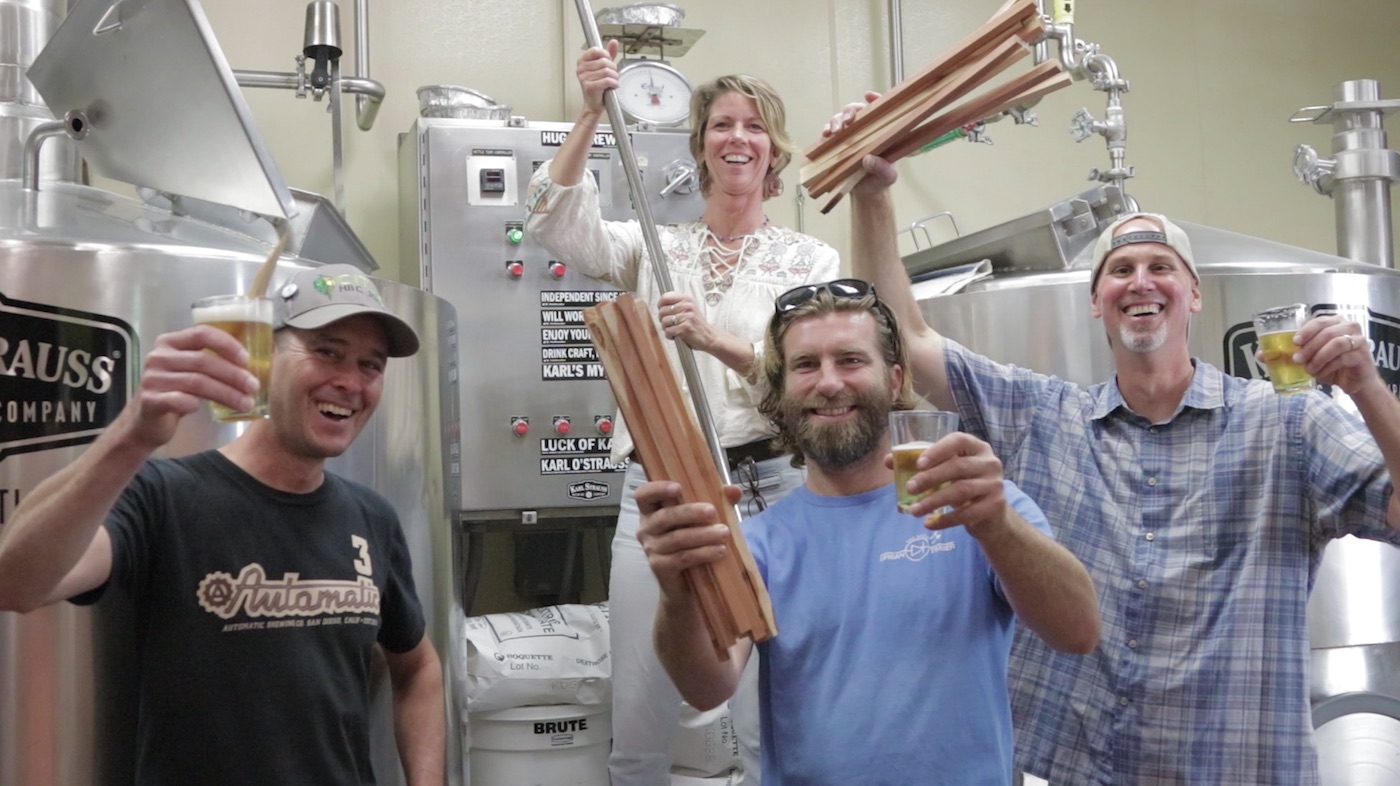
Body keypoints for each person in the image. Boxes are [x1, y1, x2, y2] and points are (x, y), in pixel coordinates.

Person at [841, 140, 1400, 783]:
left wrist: (1366, 387)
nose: (1141, 281)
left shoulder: (1288, 422)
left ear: (1192, 295)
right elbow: (905, 340)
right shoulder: (1045, 417)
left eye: (1161, 266)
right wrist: (873, 194)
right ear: (1095, 298)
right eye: (1121, 268)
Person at [633, 280, 1100, 785]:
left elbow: (1078, 632)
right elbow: (708, 687)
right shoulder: (760, 542)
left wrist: (998, 526)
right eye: (805, 365)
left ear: (895, 379)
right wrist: (676, 593)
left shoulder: (979, 504)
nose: (829, 383)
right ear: (781, 389)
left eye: (851, 360)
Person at [525, 39, 840, 785]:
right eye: (723, 124)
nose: (739, 138)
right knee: (640, 715)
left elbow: (816, 382)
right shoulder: (655, 247)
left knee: (776, 717)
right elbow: (553, 225)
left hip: (774, 491)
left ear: (775, 152)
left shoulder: (811, 262)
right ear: (699, 147)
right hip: (664, 494)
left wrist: (713, 340)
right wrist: (588, 114)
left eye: (755, 126)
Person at [0, 264, 446, 785]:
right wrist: (132, 436)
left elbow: (418, 669)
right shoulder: (164, 496)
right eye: (327, 351)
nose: (350, 381)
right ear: (265, 355)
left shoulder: (372, 517)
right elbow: (16, 584)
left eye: (370, 365)